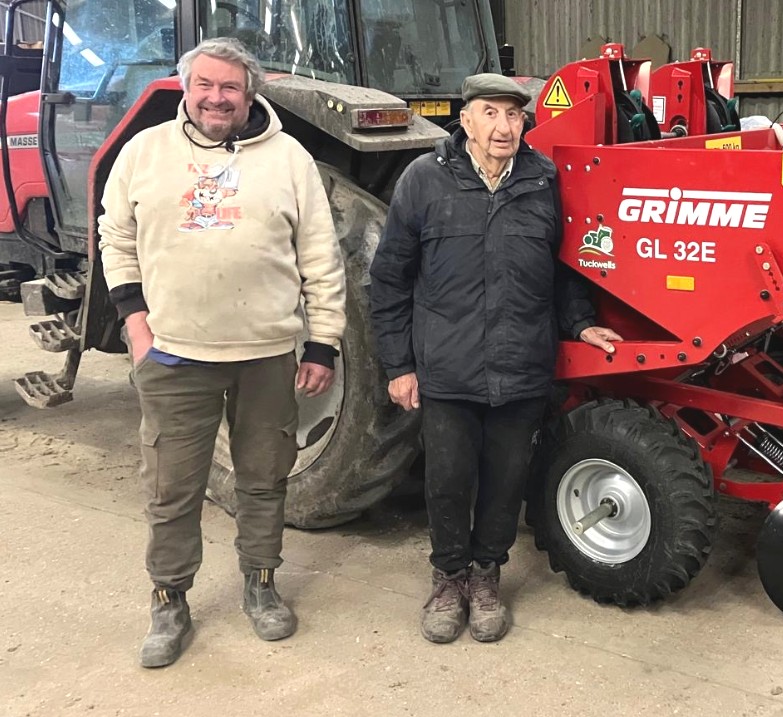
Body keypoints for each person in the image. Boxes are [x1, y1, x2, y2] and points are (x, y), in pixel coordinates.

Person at [98, 37, 346, 668]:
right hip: (175, 353)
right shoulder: (145, 152)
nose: (217, 98)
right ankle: (169, 599)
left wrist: (322, 341)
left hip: (266, 353)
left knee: (264, 480)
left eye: (230, 87)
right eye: (205, 85)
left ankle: (261, 586)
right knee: (172, 487)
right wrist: (135, 322)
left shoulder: (289, 158)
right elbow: (115, 235)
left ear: (249, 92)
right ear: (186, 87)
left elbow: (321, 255)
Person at [370, 73, 621, 644]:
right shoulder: (424, 181)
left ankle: (486, 579)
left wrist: (580, 323)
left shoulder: (542, 181)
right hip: (448, 367)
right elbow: (388, 280)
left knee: (507, 481)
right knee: (450, 480)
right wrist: (398, 365)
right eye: (490, 113)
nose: (503, 127)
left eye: (513, 116)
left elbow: (561, 271)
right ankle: (448, 578)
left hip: (521, 364)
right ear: (465, 121)